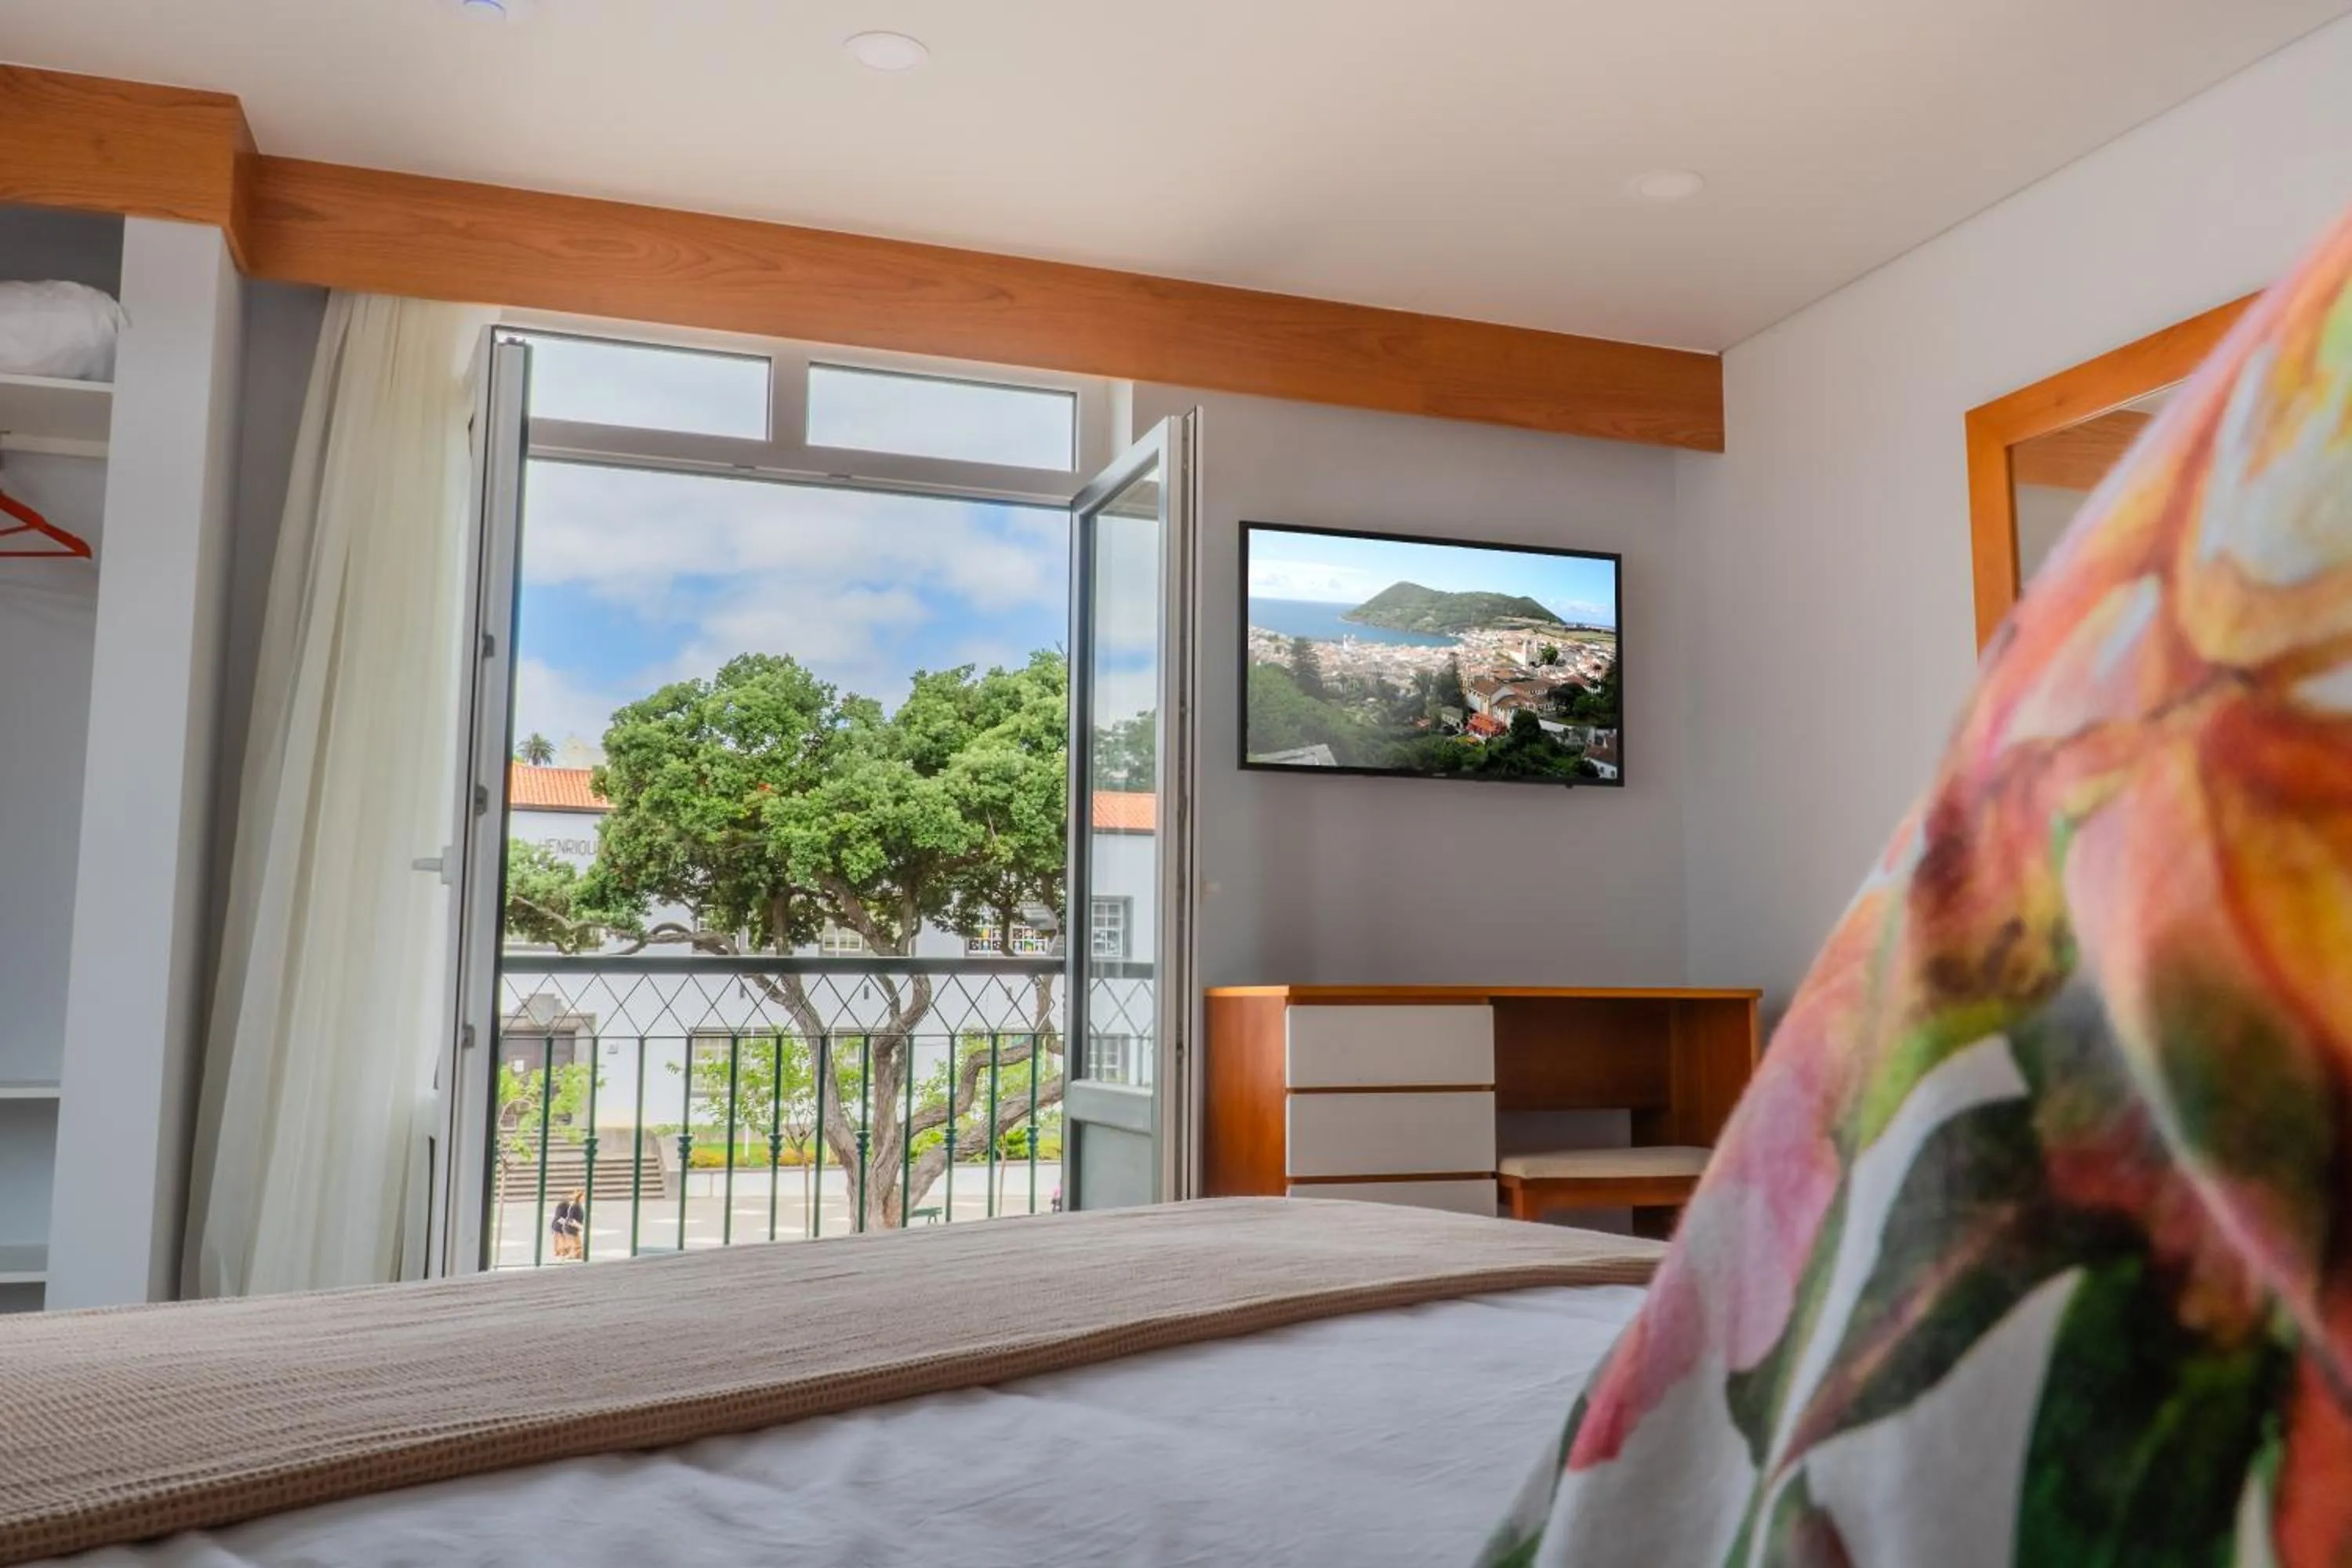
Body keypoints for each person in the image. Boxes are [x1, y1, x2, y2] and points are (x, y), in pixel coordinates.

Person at [550, 1187, 586, 1261]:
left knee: (567, 1243)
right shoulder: (566, 1205)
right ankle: (566, 1255)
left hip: (563, 1227)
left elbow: (562, 1218)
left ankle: (570, 1254)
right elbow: (562, 1218)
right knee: (564, 1243)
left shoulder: (571, 1205)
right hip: (562, 1227)